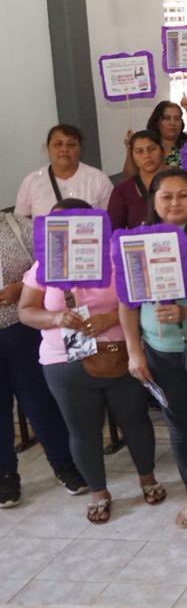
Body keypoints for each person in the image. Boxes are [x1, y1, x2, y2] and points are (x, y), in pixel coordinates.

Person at [18, 199, 164, 525]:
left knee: (135, 419)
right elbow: (26, 311)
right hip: (63, 360)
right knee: (82, 431)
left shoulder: (115, 257)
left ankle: (147, 477)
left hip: (118, 353)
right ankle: (99, 491)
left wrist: (108, 318)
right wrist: (55, 317)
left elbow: (139, 300)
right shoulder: (43, 267)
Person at [119, 169, 187, 528]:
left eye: (183, 195)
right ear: (153, 200)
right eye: (166, 196)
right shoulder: (137, 240)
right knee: (179, 425)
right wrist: (134, 350)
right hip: (160, 348)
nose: (174, 203)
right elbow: (126, 303)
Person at [0, 208, 86, 506]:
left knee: (40, 403)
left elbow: (49, 264)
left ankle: (65, 466)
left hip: (20, 331)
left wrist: (20, 288)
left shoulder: (18, 226)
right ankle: (6, 477)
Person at [15, 125, 113, 217]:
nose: (64, 149)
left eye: (71, 145)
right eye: (58, 144)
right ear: (48, 149)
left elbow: (112, 218)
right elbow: (20, 222)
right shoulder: (31, 182)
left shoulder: (99, 179)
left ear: (80, 150)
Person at [108, 130, 167, 230]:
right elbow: (113, 231)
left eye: (152, 149)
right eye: (139, 151)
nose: (147, 155)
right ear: (132, 156)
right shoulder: (122, 190)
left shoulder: (180, 183)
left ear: (162, 152)